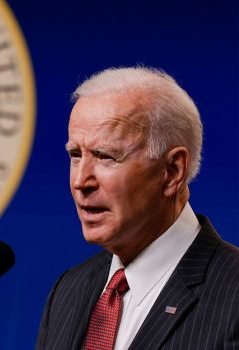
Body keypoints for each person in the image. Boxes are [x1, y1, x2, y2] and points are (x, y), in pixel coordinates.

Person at [36, 67, 239, 350]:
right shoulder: (68, 290)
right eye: (75, 155)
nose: (81, 181)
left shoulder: (232, 295)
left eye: (105, 156)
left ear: (171, 171)